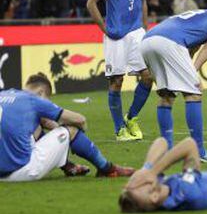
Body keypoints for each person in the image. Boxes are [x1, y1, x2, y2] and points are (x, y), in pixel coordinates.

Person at [140, 2, 207, 163]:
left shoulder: (205, 15)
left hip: (148, 41)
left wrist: (185, 72)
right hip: (169, 43)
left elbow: (192, 49)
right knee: (194, 93)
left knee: (167, 95)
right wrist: (192, 74)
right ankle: (199, 152)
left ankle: (166, 148)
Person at [0, 73, 135, 182]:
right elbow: (80, 120)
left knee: (34, 128)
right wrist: (76, 136)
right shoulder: (33, 100)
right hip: (19, 172)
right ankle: (107, 169)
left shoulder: (4, 94)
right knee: (71, 130)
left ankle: (69, 166)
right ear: (41, 93)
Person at [86, 0, 153, 142]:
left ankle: (131, 118)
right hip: (116, 35)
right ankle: (119, 130)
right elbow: (91, 3)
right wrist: (104, 28)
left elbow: (143, 1)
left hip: (137, 33)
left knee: (148, 77)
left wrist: (145, 29)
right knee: (116, 82)